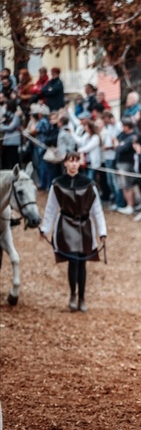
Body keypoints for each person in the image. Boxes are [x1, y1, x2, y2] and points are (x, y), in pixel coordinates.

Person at [39, 151, 107, 312]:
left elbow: (97, 210)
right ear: (65, 163)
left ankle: (82, 297)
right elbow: (51, 208)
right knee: (73, 260)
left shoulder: (89, 184)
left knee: (82, 262)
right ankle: (72, 295)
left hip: (84, 226)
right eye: (71, 161)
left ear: (80, 163)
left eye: (76, 161)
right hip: (67, 225)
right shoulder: (58, 183)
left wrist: (102, 231)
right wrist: (45, 229)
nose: (73, 164)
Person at [0, 99, 23, 170]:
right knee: (5, 159)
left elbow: (11, 127)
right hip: (7, 139)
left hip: (13, 139)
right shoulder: (7, 114)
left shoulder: (16, 115)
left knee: (14, 159)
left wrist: (1, 127)